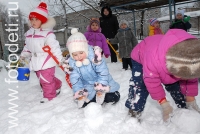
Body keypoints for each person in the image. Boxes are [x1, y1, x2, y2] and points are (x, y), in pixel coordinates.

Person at [125, 29, 200, 122]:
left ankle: (184, 108)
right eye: (180, 75)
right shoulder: (154, 59)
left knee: (174, 85)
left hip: (164, 57)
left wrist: (191, 99)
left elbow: (191, 78)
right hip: (141, 56)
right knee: (140, 85)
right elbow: (152, 83)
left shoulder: (190, 57)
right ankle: (134, 110)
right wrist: (164, 105)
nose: (183, 78)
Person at [65, 28, 120, 108]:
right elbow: (75, 80)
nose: (79, 56)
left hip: (103, 82)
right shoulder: (73, 63)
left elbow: (103, 73)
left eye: (81, 53)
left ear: (85, 49)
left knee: (112, 97)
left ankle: (110, 94)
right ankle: (94, 99)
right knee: (85, 103)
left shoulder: (95, 57)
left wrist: (100, 88)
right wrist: (80, 92)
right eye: (75, 55)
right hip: (88, 86)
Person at [20, 2, 63, 103]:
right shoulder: (29, 33)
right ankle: (57, 84)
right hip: (35, 60)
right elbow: (27, 47)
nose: (33, 21)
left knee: (46, 79)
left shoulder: (47, 33)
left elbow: (54, 47)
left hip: (46, 60)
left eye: (37, 19)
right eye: (32, 19)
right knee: (41, 77)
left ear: (42, 21)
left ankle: (49, 96)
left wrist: (60, 59)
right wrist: (23, 55)